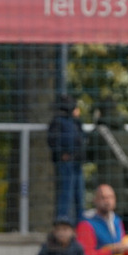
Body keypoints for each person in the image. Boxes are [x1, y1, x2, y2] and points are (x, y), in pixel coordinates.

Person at [89, 99, 128, 239]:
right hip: (127, 187)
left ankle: (115, 254)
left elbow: (88, 154)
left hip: (109, 184)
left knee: (111, 224)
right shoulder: (124, 130)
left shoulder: (99, 132)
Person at [48, 94, 86, 224]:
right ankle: (63, 219)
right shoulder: (59, 121)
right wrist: (61, 154)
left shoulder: (75, 122)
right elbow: (53, 140)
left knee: (79, 193)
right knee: (66, 191)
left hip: (77, 161)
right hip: (66, 161)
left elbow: (82, 139)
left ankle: (80, 221)